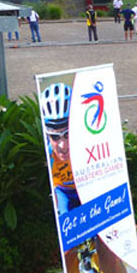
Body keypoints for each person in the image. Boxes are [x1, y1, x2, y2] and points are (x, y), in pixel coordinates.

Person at [40, 82, 80, 214]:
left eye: (67, 134)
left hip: (84, 186)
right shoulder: (48, 150)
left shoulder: (89, 147)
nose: (63, 146)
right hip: (62, 190)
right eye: (54, 137)